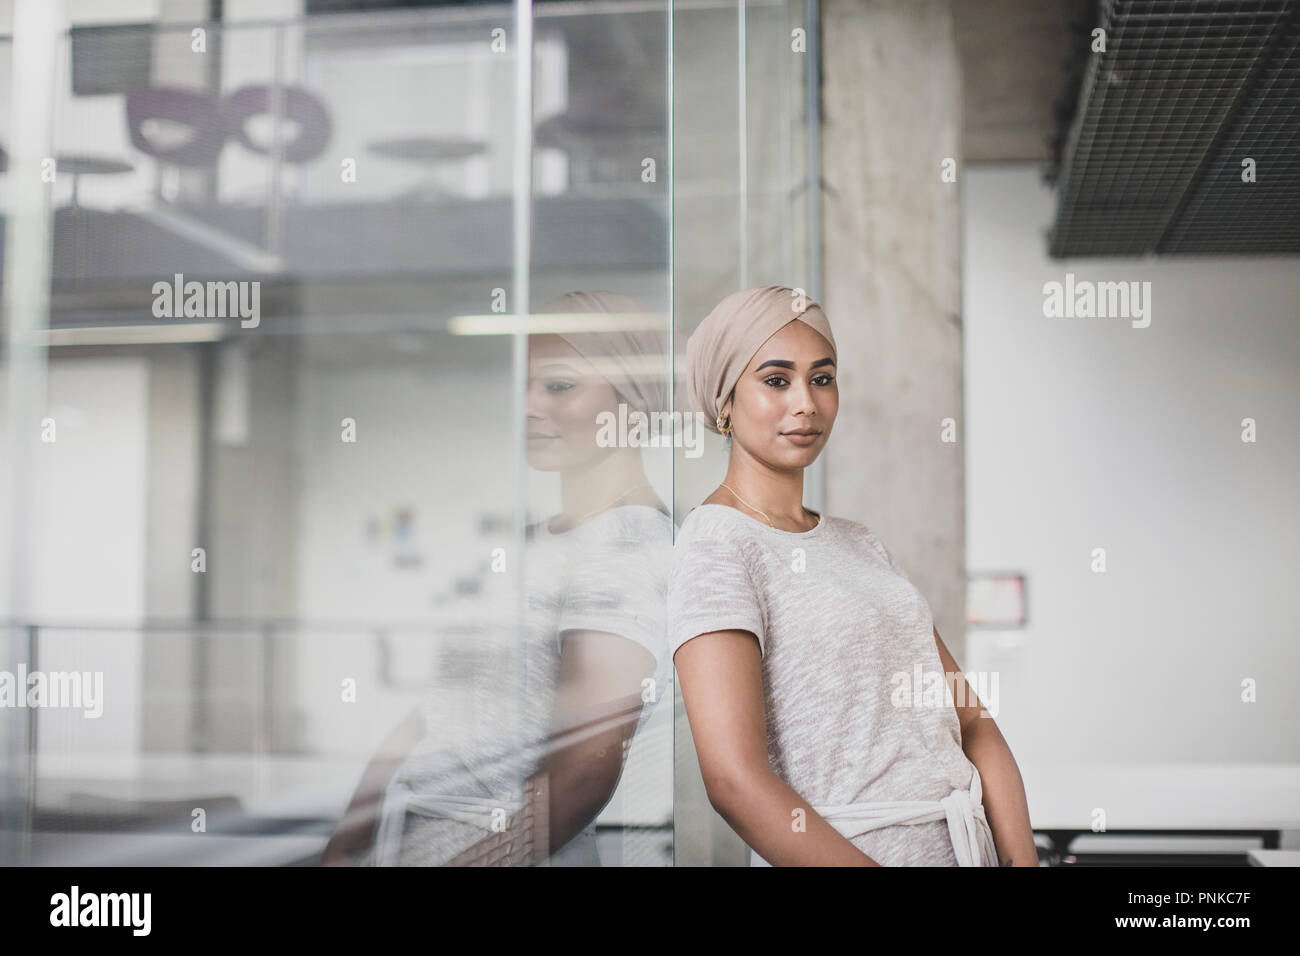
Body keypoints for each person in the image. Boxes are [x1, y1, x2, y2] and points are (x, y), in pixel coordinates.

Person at [669, 285, 1038, 866]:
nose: (806, 403)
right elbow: (735, 783)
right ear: (724, 402)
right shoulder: (717, 543)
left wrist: (1021, 863)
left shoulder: (858, 542)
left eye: (822, 377)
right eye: (775, 380)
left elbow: (970, 718)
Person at [321, 291, 674, 866]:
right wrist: (348, 839)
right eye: (526, 385)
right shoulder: (538, 540)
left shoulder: (626, 543)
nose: (530, 405)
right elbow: (441, 705)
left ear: (631, 405)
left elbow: (586, 767)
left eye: (559, 386)